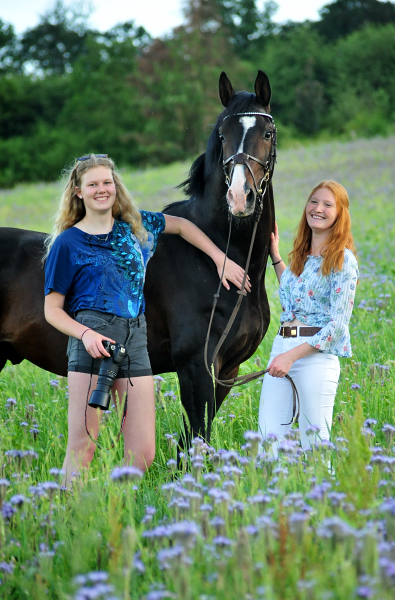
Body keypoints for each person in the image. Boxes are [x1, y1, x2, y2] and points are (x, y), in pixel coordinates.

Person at [44, 153, 251, 486]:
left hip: (135, 341)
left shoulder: (137, 226)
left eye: (107, 182)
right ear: (78, 191)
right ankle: (69, 517)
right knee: (82, 445)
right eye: (92, 184)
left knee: (142, 454)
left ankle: (109, 509)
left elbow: (182, 226)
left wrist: (219, 258)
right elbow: (51, 309)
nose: (102, 189)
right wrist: (84, 335)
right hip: (92, 340)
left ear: (116, 186)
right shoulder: (68, 242)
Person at [258, 180, 358, 452]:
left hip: (315, 357)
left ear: (340, 214)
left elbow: (337, 327)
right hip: (282, 346)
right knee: (268, 444)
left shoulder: (342, 260)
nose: (318, 208)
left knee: (315, 447)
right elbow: (293, 290)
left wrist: (290, 357)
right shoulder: (303, 256)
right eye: (314, 201)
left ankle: (323, 494)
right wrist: (275, 256)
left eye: (328, 204)